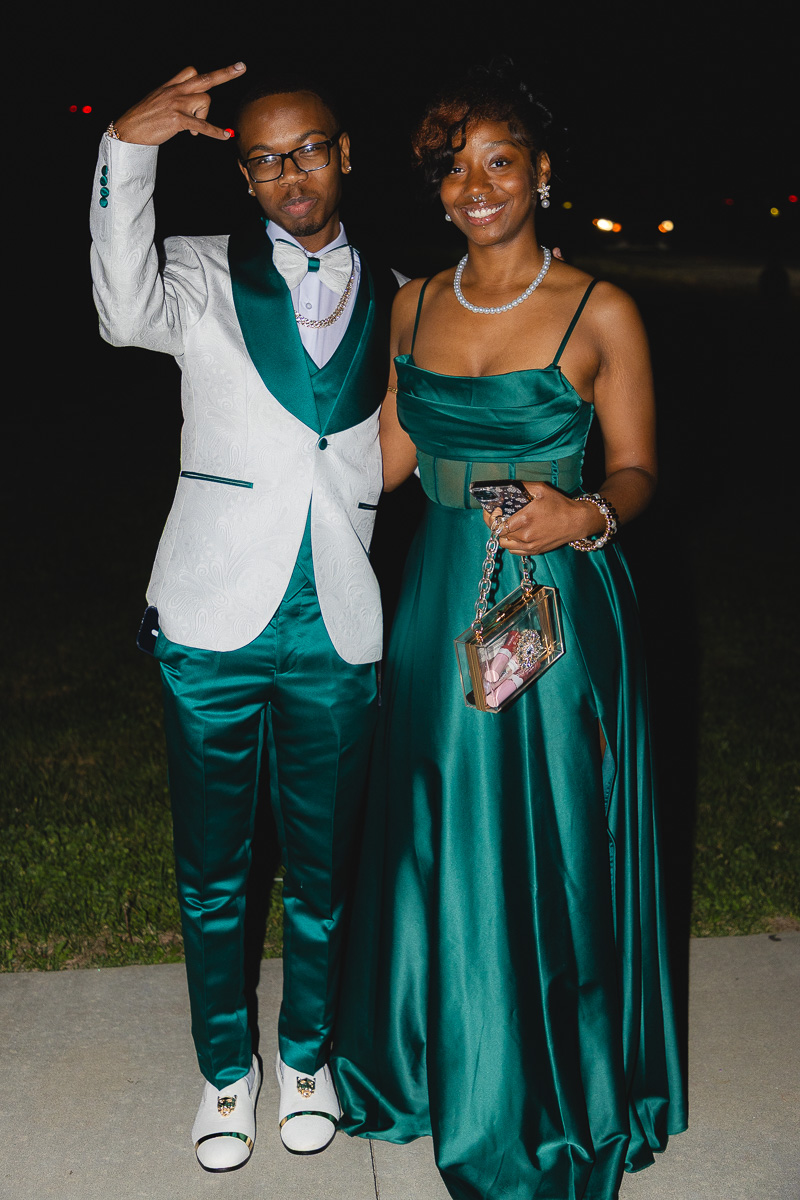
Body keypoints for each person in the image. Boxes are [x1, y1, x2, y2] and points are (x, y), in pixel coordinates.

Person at [332, 65, 688, 1200]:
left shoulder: (599, 309)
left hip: (555, 598)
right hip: (441, 589)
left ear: (540, 172)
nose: (475, 185)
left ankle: (548, 1091)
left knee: (551, 829)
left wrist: (584, 514)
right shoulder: (412, 306)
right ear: (435, 190)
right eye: (453, 169)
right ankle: (427, 1059)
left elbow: (637, 467)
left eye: (498, 162)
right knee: (433, 820)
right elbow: (388, 460)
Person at [90, 62, 401, 1171]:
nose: (288, 174)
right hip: (213, 614)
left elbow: (398, 437)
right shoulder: (199, 272)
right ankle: (228, 1071)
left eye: (307, 149)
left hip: (339, 619)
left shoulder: (401, 292)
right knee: (213, 869)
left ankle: (306, 1057)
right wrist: (128, 148)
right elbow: (120, 311)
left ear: (344, 152)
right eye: (264, 160)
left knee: (324, 863)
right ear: (244, 176)